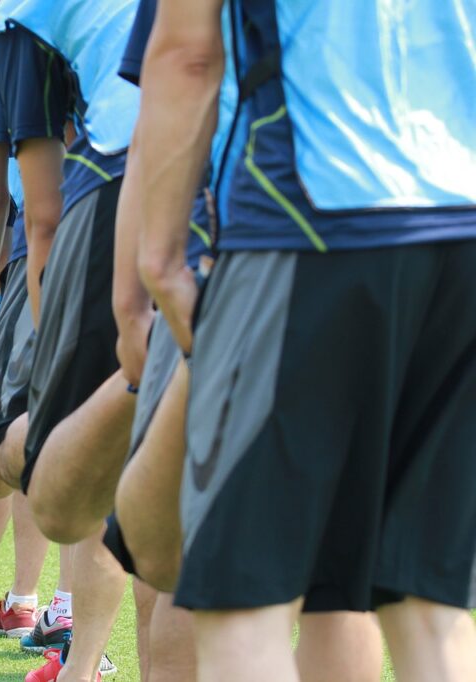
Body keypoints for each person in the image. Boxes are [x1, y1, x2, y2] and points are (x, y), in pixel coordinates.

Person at [133, 1, 476, 681]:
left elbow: (187, 54)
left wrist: (162, 254)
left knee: (242, 599)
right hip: (459, 224)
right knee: (425, 606)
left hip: (307, 217)